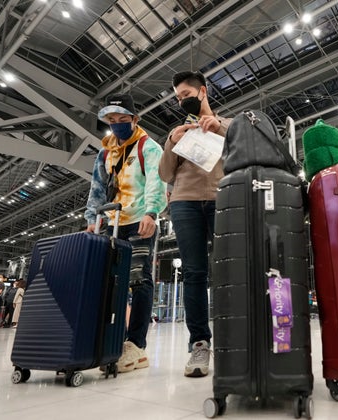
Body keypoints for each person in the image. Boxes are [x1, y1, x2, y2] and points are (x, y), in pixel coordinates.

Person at [85, 93, 167, 373]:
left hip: (138, 219)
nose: (117, 124)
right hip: (111, 221)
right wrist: (92, 219)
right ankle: (111, 338)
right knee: (108, 281)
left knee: (139, 279)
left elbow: (157, 180)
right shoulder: (105, 152)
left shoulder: (148, 146)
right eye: (112, 120)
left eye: (123, 119)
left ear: (135, 119)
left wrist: (151, 213)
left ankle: (135, 345)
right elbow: (97, 187)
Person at [158, 71, 231, 377]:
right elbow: (164, 175)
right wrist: (172, 144)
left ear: (203, 92)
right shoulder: (176, 132)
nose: (181, 101)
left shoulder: (228, 124)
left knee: (230, 268)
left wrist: (221, 128)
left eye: (186, 94)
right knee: (194, 273)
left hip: (222, 197)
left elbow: (244, 150)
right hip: (184, 202)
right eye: (177, 97)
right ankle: (199, 343)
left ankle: (235, 338)